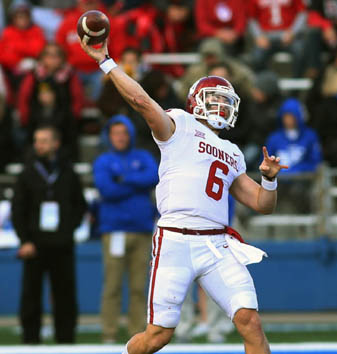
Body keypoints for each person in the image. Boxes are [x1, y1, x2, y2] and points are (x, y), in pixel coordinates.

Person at [79, 30, 287, 354]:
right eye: (214, 98)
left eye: (224, 100)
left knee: (250, 322)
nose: (219, 105)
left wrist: (270, 180)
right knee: (158, 336)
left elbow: (262, 203)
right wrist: (106, 62)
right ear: (195, 102)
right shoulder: (180, 124)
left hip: (216, 243)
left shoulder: (232, 151)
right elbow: (141, 101)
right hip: (176, 238)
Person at [11, 124, 87, 344]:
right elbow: (18, 209)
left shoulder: (68, 171)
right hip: (34, 245)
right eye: (36, 141)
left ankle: (66, 341)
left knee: (65, 295)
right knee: (31, 295)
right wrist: (24, 240)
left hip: (62, 245)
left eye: (44, 141)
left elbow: (79, 205)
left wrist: (67, 231)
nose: (39, 145)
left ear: (56, 143)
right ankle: (30, 341)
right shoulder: (27, 172)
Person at [93, 115, 159, 343]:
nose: (120, 137)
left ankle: (137, 332)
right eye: (115, 133)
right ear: (109, 136)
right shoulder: (103, 161)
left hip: (141, 230)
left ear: (130, 134)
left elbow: (154, 176)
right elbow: (106, 189)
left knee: (139, 286)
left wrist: (122, 179)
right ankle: (108, 332)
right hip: (114, 231)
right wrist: (137, 184)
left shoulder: (143, 156)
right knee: (112, 285)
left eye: (124, 133)